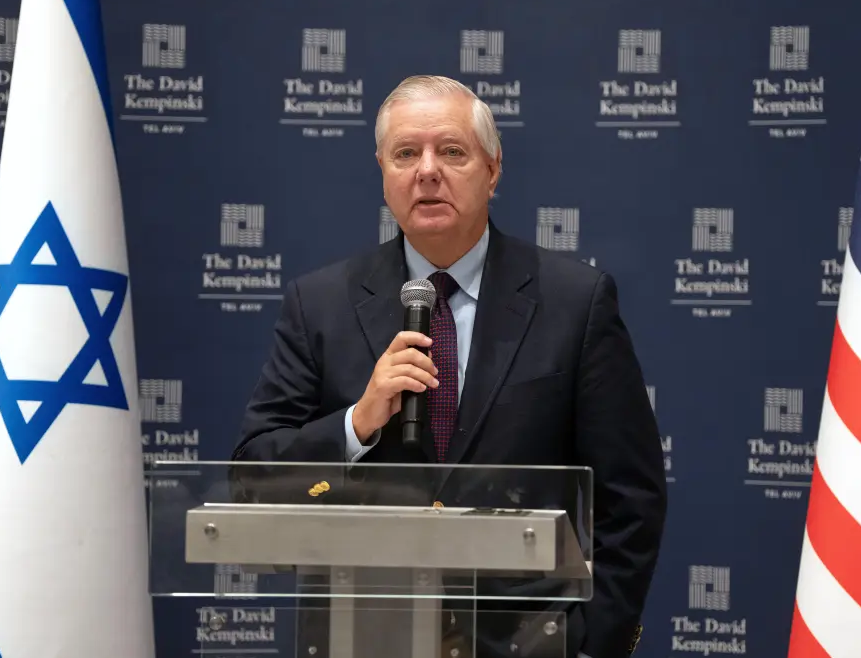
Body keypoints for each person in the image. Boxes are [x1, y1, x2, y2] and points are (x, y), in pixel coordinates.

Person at [232, 75, 668, 658]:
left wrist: (590, 642)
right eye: (406, 153)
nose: (427, 170)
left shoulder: (575, 301)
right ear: (384, 174)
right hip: (364, 635)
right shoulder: (320, 304)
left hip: (527, 643)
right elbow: (251, 478)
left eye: (452, 151)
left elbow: (630, 499)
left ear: (493, 169)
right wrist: (356, 424)